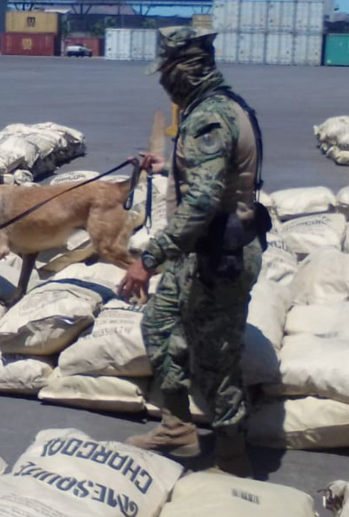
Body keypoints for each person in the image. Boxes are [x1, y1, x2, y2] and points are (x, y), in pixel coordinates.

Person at [117, 26, 267, 477]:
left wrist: (149, 259)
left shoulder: (208, 118)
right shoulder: (218, 106)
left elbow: (202, 201)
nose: (164, 84)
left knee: (215, 360)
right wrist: (167, 166)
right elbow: (214, 174)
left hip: (220, 258)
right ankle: (176, 426)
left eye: (166, 73)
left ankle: (233, 459)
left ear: (185, 71)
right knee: (159, 325)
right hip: (200, 253)